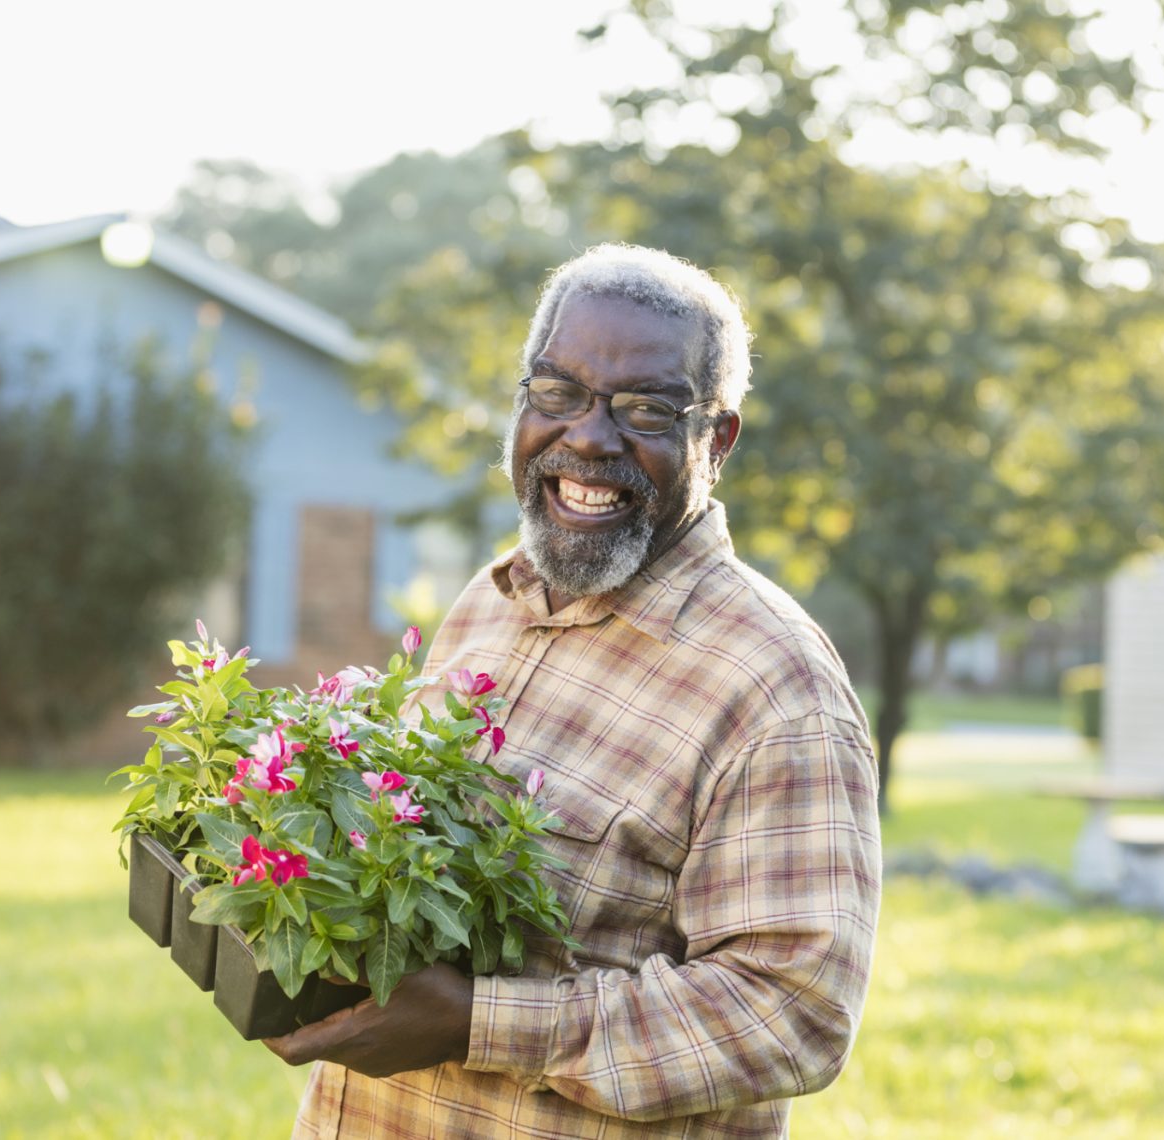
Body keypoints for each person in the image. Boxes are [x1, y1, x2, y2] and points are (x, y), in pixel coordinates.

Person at [265, 243, 882, 1138]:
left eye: (645, 409)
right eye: (556, 394)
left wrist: (482, 1023)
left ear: (718, 439)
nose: (588, 439)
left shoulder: (775, 687)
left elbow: (792, 1013)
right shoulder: (491, 600)